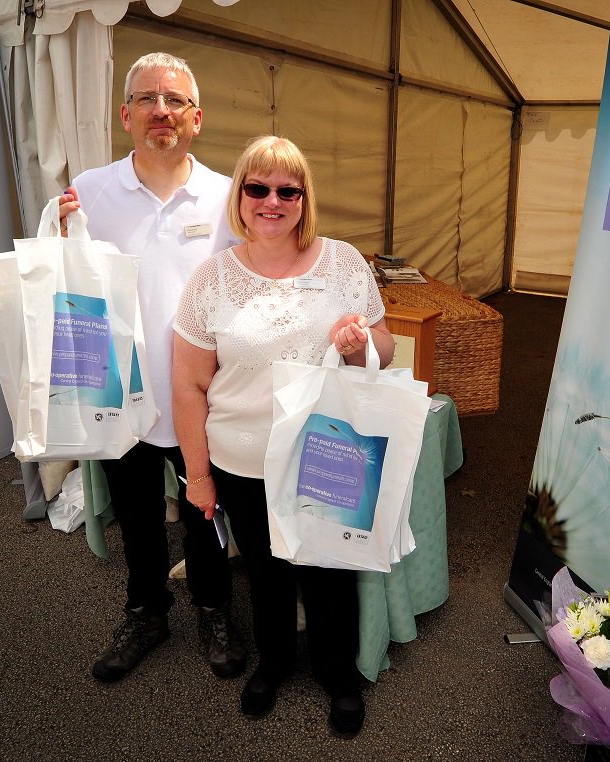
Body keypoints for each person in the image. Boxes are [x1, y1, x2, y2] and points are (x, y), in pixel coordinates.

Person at [171, 135, 395, 738]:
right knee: (267, 572)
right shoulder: (212, 279)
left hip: (326, 448)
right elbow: (189, 387)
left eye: (287, 190)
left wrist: (361, 344)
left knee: (329, 568)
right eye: (258, 188)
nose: (272, 201)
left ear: (304, 198)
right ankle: (272, 664)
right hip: (242, 458)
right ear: (240, 197)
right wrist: (198, 474)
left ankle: (338, 674)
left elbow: (387, 347)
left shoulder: (344, 262)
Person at [57, 52, 246, 683]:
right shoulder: (90, 191)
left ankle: (215, 608)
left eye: (173, 100)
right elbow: (63, 279)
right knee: (136, 514)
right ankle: (146, 610)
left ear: (197, 117)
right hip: (122, 392)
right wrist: (56, 232)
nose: (159, 111)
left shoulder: (226, 197)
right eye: (145, 99)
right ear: (125, 114)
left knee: (206, 513)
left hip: (205, 395)